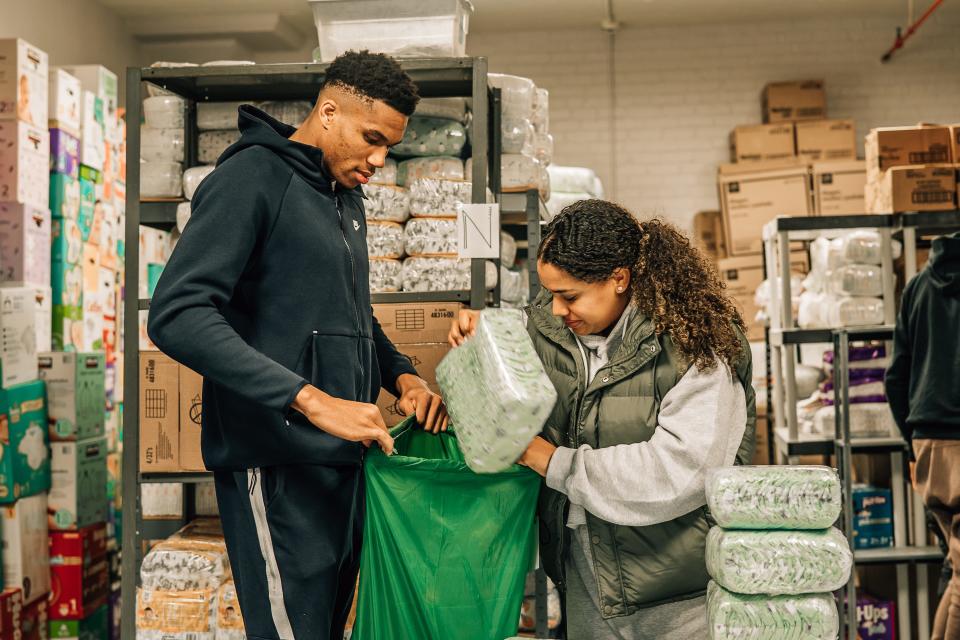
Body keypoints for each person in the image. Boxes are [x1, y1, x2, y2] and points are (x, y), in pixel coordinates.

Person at [147, 50, 448, 640]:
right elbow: (176, 313)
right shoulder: (250, 178)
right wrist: (309, 399)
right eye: (371, 138)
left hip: (343, 461)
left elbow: (352, 314)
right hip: (278, 462)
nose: (380, 160)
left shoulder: (344, 195)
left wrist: (403, 377)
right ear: (329, 111)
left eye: (390, 145)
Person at [449, 200, 755, 639]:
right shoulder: (558, 326)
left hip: (678, 593)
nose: (556, 309)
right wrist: (486, 330)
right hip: (588, 578)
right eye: (550, 293)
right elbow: (533, 339)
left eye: (568, 295)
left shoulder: (696, 348)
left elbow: (682, 471)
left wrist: (551, 461)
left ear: (619, 278)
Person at [885, 231, 960, 640]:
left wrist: (911, 445)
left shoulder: (918, 285)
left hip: (929, 443)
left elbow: (895, 377)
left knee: (957, 566)